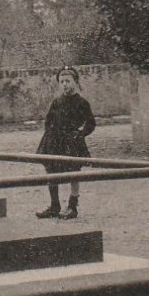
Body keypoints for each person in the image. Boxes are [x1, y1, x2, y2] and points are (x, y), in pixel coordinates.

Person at [35, 66, 96, 220]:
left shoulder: (82, 103)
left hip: (71, 142)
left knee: (73, 172)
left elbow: (91, 123)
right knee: (51, 171)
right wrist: (50, 135)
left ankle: (72, 206)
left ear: (75, 82)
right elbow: (48, 120)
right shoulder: (57, 101)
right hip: (54, 142)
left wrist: (80, 134)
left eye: (68, 81)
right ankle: (54, 206)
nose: (64, 84)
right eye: (61, 81)